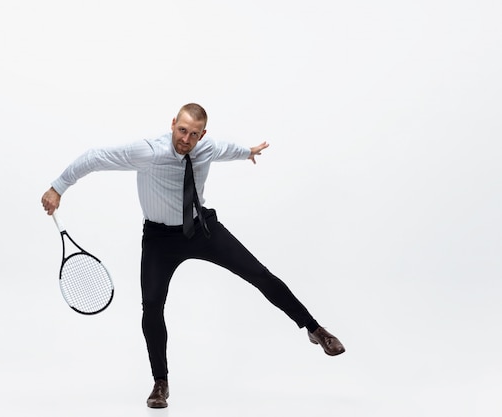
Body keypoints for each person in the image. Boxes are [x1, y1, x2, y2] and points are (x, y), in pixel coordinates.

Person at [41, 103, 345, 409]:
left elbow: (226, 149)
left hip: (202, 229)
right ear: (173, 123)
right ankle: (161, 383)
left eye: (194, 134)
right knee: (152, 307)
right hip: (160, 239)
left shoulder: (206, 147)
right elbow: (95, 157)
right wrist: (58, 187)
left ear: (202, 134)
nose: (186, 139)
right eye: (182, 130)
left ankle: (314, 329)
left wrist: (247, 151)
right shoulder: (149, 152)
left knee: (259, 274)